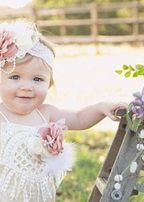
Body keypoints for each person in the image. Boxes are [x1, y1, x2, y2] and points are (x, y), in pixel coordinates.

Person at [0, 20, 127, 202]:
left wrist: (100, 107)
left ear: (49, 83)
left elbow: (79, 118)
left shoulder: (47, 113)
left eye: (37, 79)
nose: (27, 87)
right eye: (15, 77)